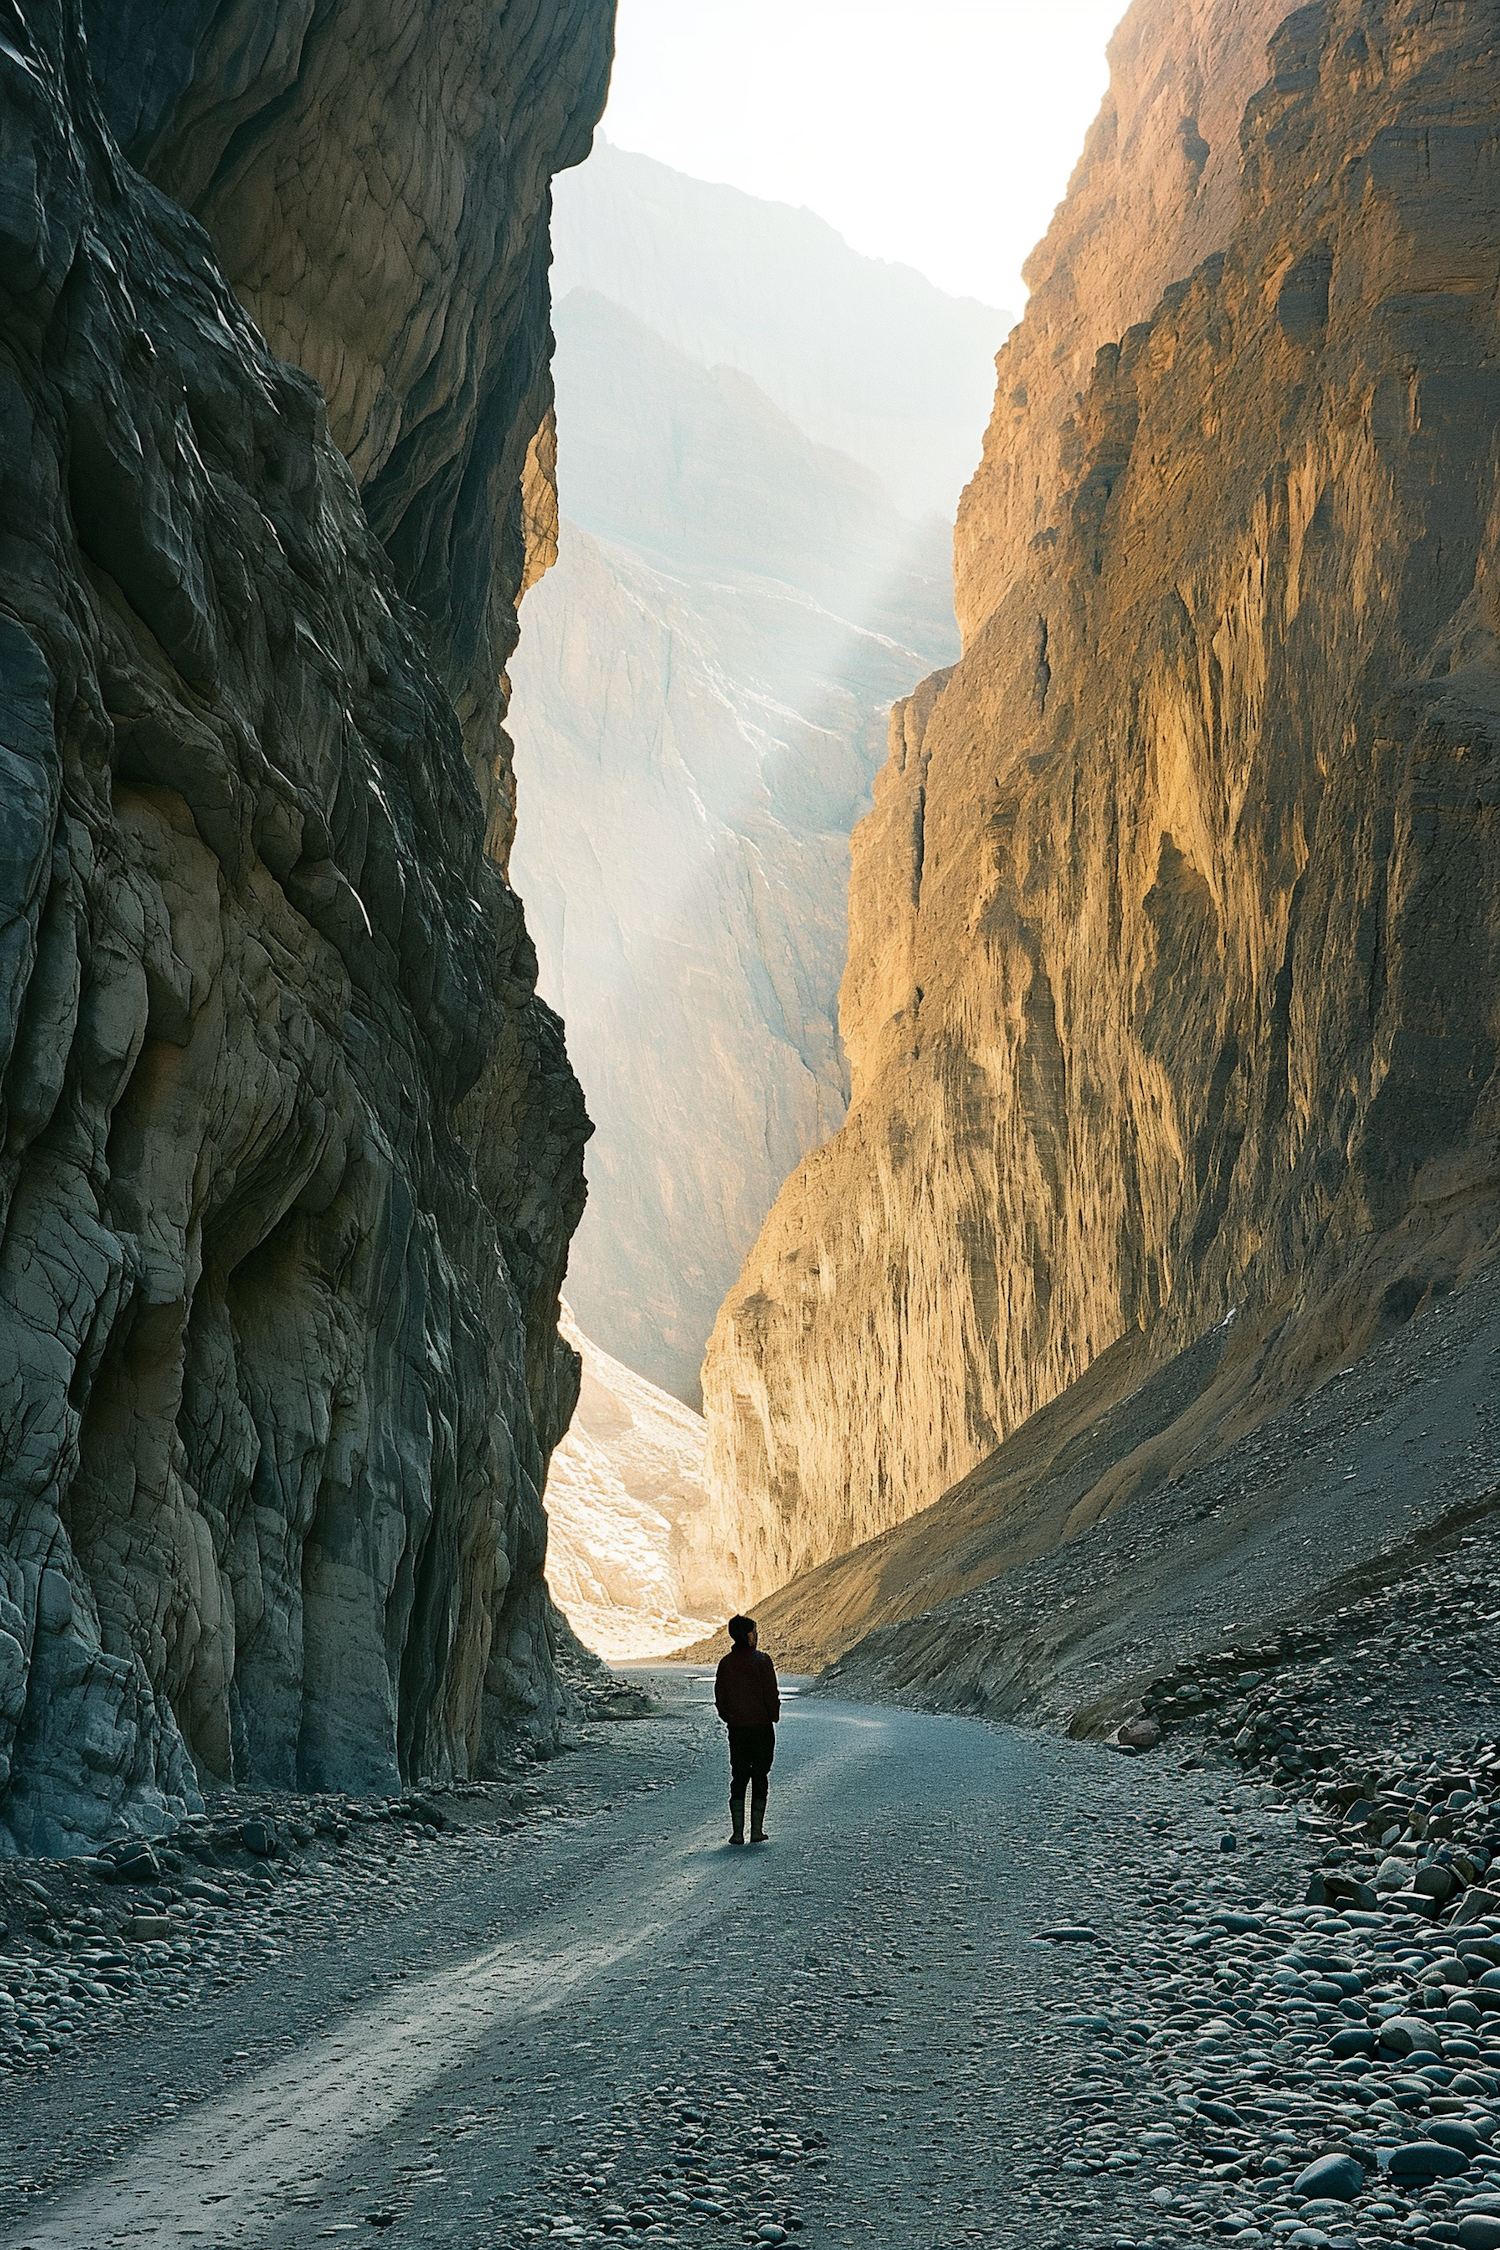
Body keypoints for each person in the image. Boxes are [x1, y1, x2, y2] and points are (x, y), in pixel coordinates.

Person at [713, 1614, 780, 1846]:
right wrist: (773, 1715)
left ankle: (737, 1832)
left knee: (739, 1776)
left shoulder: (725, 1663)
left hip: (737, 1729)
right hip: (761, 1727)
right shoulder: (762, 1661)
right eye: (754, 1631)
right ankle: (757, 1830)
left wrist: (730, 1718)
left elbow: (720, 1698)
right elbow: (771, 1694)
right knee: (760, 1775)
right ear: (749, 1635)